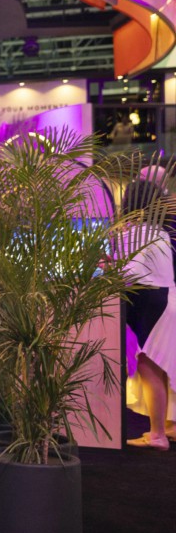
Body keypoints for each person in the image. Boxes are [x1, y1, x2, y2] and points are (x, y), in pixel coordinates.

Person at [120, 179, 176, 449]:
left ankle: (157, 435)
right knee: (158, 368)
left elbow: (129, 274)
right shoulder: (159, 232)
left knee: (149, 367)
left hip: (150, 305)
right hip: (165, 300)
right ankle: (160, 431)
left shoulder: (134, 234)